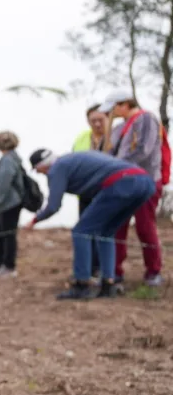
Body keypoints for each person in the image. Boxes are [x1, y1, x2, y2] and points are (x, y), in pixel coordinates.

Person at [27, 148, 156, 300]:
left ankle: (81, 284)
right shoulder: (73, 161)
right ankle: (108, 284)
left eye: (37, 169)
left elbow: (53, 206)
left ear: (43, 165)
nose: (39, 173)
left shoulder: (57, 168)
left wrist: (34, 221)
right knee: (106, 233)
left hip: (122, 182)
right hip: (145, 182)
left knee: (81, 231)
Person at [97, 90, 166, 287]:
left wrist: (115, 166)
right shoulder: (119, 127)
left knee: (145, 227)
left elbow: (142, 150)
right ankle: (114, 271)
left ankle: (153, 271)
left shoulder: (147, 119)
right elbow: (109, 151)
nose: (111, 113)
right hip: (123, 183)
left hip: (145, 181)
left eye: (113, 109)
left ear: (124, 104)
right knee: (118, 227)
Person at [73, 104, 111, 277]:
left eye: (100, 120)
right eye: (92, 120)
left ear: (108, 118)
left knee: (103, 232)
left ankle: (104, 268)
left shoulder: (115, 137)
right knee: (85, 230)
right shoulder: (82, 138)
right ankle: (88, 267)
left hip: (107, 191)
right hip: (86, 191)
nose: (96, 124)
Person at [0, 131, 24, 277]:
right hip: (7, 203)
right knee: (2, 233)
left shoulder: (8, 160)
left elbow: (4, 183)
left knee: (8, 234)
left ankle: (9, 266)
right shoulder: (11, 158)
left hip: (10, 203)